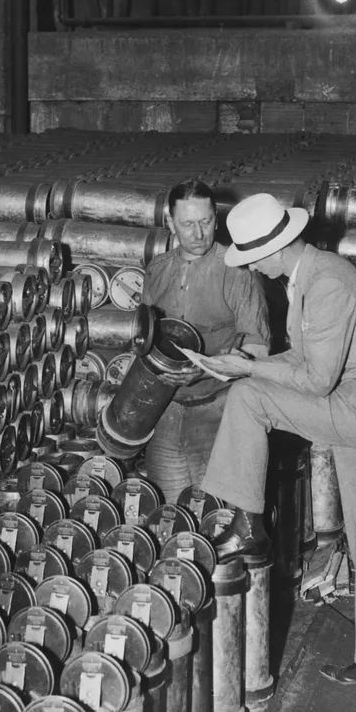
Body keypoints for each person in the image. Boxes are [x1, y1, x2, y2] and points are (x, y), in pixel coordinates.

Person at [200, 192, 356, 697]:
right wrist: (248, 360)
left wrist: (249, 369)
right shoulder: (307, 278)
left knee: (249, 397)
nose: (251, 268)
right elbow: (304, 359)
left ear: (272, 251)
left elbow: (315, 380)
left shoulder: (327, 282)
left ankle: (246, 522)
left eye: (251, 258)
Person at [139, 179, 270, 501]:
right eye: (187, 224)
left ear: (216, 217)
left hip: (219, 411)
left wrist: (208, 369)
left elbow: (259, 348)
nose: (198, 234)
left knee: (218, 517)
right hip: (166, 410)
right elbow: (143, 343)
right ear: (170, 222)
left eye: (206, 222)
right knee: (168, 517)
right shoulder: (157, 270)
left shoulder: (238, 271)